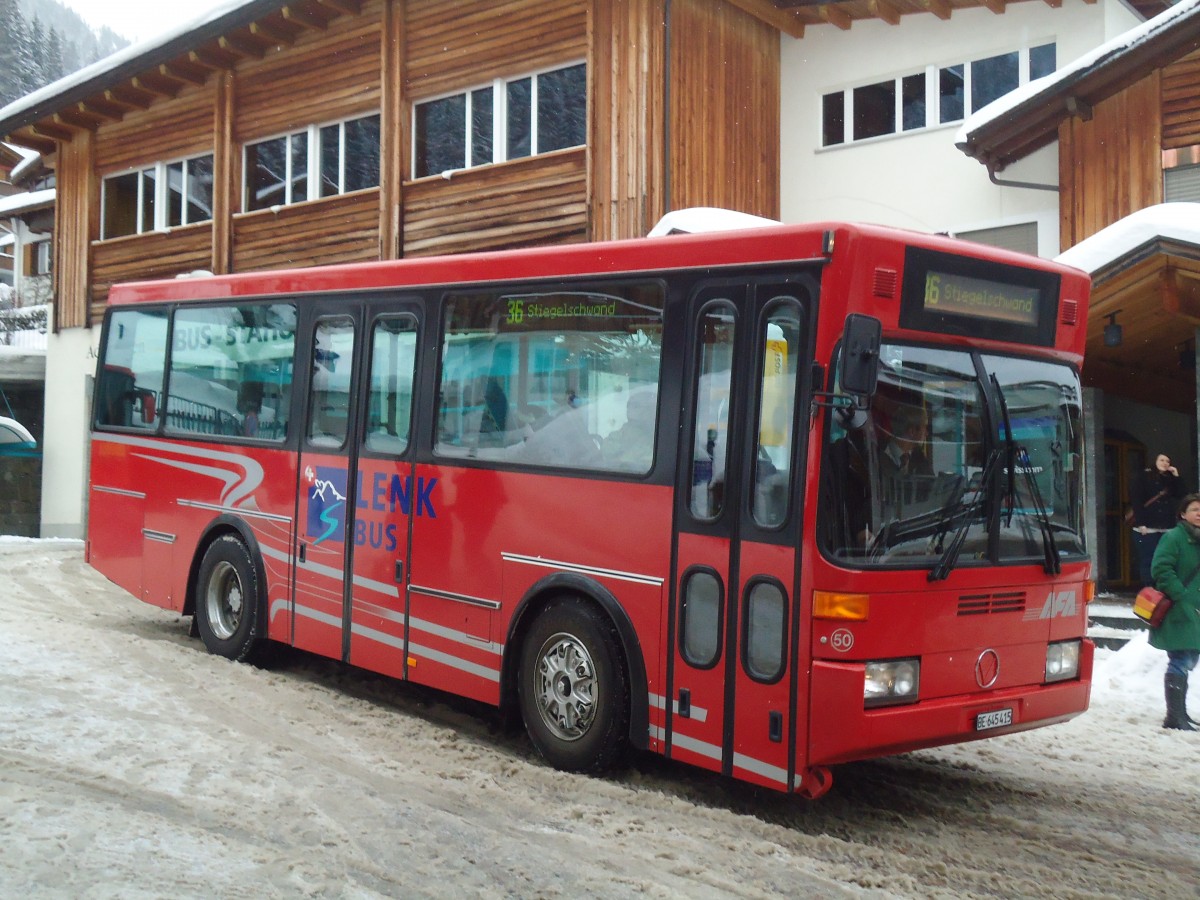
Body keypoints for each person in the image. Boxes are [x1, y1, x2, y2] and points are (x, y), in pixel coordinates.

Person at [1149, 492, 1200, 731]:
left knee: (1188, 660)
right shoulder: (1174, 538)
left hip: (1195, 611)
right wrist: (1182, 595)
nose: (1199, 514)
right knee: (1180, 660)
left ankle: (1181, 714)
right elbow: (1161, 569)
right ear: (1182, 514)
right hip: (1179, 609)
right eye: (1194, 509)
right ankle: (1174, 717)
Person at [1129, 452, 1184, 586]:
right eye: (1162, 460)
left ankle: (1162, 588)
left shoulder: (1170, 479)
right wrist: (1141, 523)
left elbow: (1182, 494)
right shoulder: (1143, 477)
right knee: (1148, 559)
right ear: (1155, 461)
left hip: (1166, 526)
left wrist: (1176, 476)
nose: (1165, 463)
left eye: (1168, 461)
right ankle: (1148, 589)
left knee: (1166, 559)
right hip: (1147, 527)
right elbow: (1137, 500)